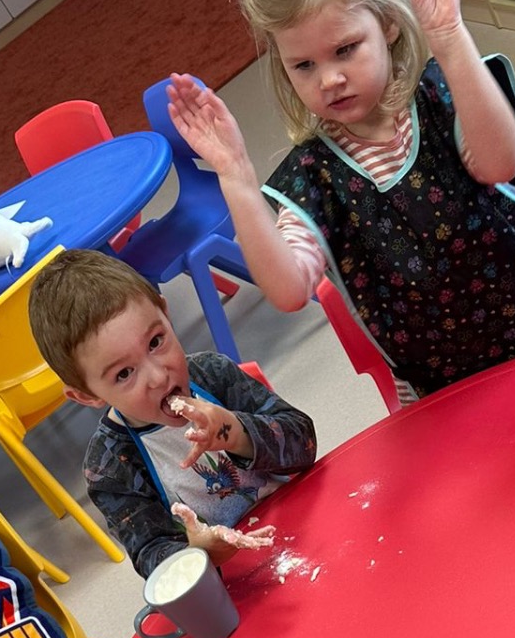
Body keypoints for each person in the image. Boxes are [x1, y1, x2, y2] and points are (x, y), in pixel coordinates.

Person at [165, 0, 515, 403]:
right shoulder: (313, 176)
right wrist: (235, 175)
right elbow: (289, 290)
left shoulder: (440, 98)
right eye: (304, 65)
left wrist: (449, 36)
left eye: (345, 49)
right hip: (444, 393)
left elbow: (500, 163)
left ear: (387, 22)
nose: (329, 79)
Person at [28, 247, 316, 582]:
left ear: (166, 314)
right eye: (124, 374)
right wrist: (198, 552)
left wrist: (236, 432)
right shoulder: (109, 467)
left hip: (304, 525)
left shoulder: (213, 375)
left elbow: (304, 445)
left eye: (155, 342)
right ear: (87, 395)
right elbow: (152, 557)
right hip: (229, 581)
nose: (158, 376)